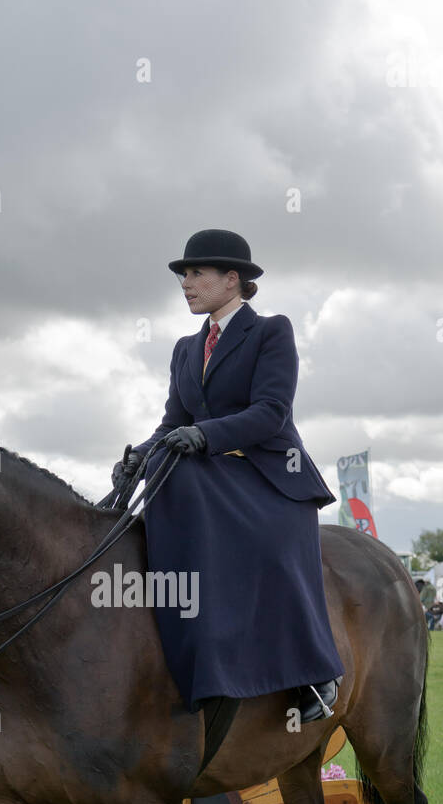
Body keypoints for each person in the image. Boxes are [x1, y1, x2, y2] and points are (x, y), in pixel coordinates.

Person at [111, 228, 343, 723]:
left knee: (187, 480)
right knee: (159, 470)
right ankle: (188, 648)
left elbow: (271, 412)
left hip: (270, 475)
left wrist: (205, 435)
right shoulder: (184, 349)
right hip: (210, 471)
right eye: (183, 275)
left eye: (196, 273)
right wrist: (140, 456)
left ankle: (315, 673)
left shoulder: (270, 331)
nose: (186, 283)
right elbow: (174, 423)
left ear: (232, 279)